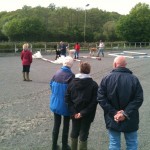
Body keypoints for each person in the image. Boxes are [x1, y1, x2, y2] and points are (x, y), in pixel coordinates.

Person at [97, 55, 143, 150]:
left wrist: (114, 112)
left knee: (114, 144)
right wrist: (125, 113)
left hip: (112, 118)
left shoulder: (106, 78)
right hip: (130, 117)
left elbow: (101, 98)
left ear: (114, 64)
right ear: (125, 65)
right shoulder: (134, 79)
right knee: (132, 144)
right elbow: (138, 99)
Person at [65, 62, 98, 150]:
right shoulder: (94, 85)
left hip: (74, 112)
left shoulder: (71, 83)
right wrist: (83, 113)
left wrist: (74, 112)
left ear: (79, 70)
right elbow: (94, 102)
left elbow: (67, 99)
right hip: (87, 114)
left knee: (74, 131)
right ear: (89, 71)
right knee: (84, 133)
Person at [50, 56, 75, 150]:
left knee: (56, 125)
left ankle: (54, 145)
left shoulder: (56, 73)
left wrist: (55, 94)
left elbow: (51, 85)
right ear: (71, 65)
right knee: (66, 125)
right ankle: (64, 145)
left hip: (55, 103)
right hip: (66, 105)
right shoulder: (71, 76)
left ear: (63, 63)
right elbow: (74, 91)